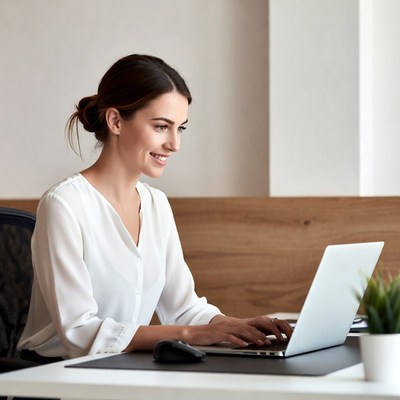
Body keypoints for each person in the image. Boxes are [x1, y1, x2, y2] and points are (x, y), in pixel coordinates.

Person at [17, 54, 292, 362]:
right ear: (116, 121)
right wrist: (188, 335)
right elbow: (80, 333)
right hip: (57, 378)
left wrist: (230, 325)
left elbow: (183, 308)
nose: (174, 144)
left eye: (181, 128)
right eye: (162, 126)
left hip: (122, 372)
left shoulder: (156, 205)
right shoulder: (64, 205)